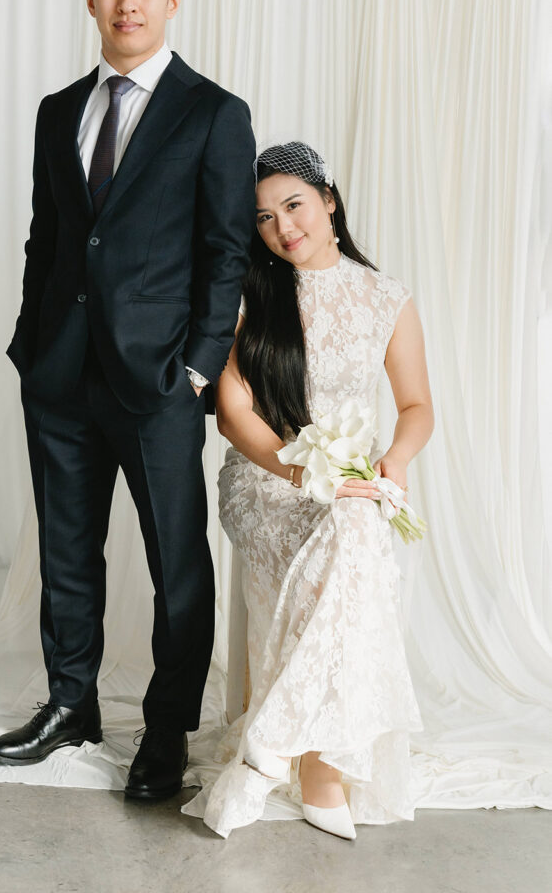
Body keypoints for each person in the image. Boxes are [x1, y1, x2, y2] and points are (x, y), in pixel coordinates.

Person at [0, 0, 256, 800]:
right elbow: (49, 239)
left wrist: (197, 368)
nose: (126, 0)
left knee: (177, 561)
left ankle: (167, 730)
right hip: (60, 375)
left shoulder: (213, 114)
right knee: (67, 551)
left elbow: (226, 252)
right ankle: (71, 704)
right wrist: (30, 348)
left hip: (158, 378)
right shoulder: (58, 110)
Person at [182, 141, 433, 838]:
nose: (282, 227)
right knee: (352, 537)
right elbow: (233, 413)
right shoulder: (251, 295)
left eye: (292, 206)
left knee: (354, 528)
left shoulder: (385, 297)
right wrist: (299, 472)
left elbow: (416, 407)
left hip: (349, 485)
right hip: (267, 482)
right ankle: (316, 773)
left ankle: (278, 749)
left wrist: (393, 463)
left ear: (328, 200)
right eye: (263, 218)